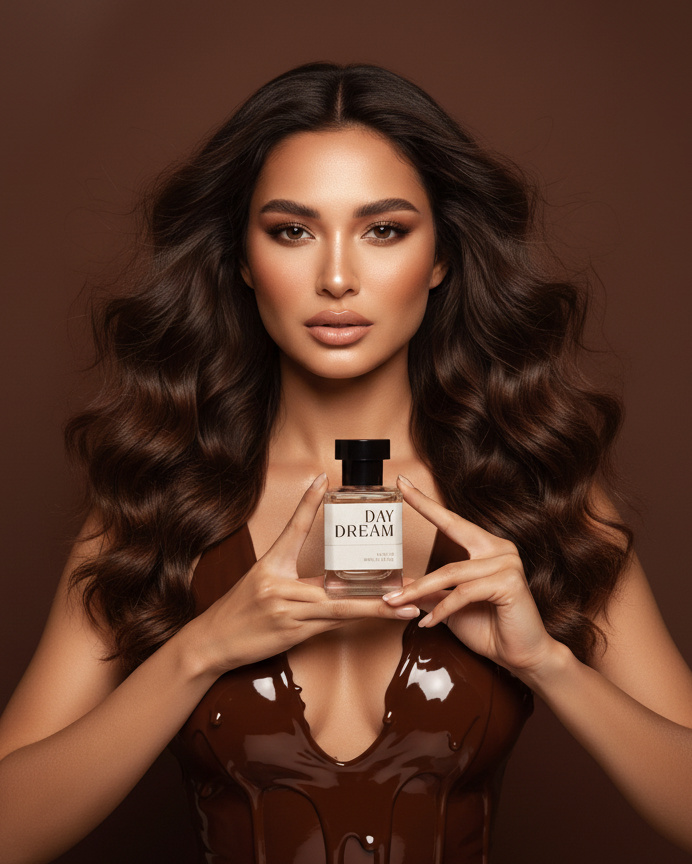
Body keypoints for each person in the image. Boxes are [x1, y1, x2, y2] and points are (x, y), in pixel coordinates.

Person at [0, 60, 690, 864]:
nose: (335, 277)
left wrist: (550, 665)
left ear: (439, 259)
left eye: (384, 230)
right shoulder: (161, 503)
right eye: (292, 231)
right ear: (242, 260)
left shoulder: (533, 496)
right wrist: (200, 651)